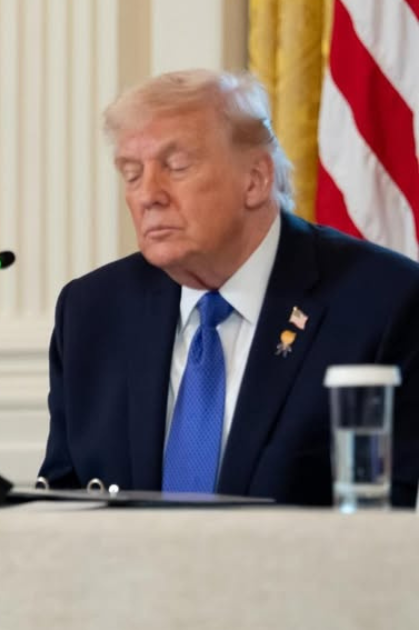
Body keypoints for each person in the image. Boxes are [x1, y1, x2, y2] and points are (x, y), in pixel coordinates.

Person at [38, 69, 419, 506]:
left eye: (176, 167)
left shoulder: (383, 303)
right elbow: (61, 501)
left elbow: (388, 522)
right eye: (131, 173)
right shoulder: (93, 311)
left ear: (255, 179)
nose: (148, 195)